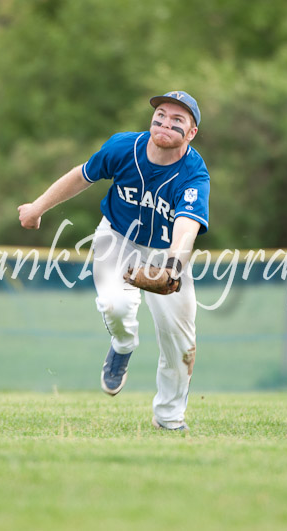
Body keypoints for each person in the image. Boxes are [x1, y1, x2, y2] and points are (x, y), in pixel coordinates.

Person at [18, 91, 210, 431]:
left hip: (167, 252)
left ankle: (169, 418)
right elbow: (82, 175)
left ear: (191, 133)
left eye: (178, 119)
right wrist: (37, 207)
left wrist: (171, 268)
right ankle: (122, 345)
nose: (166, 122)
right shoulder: (123, 148)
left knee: (180, 343)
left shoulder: (194, 174)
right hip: (117, 239)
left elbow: (186, 227)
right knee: (115, 306)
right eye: (161, 114)